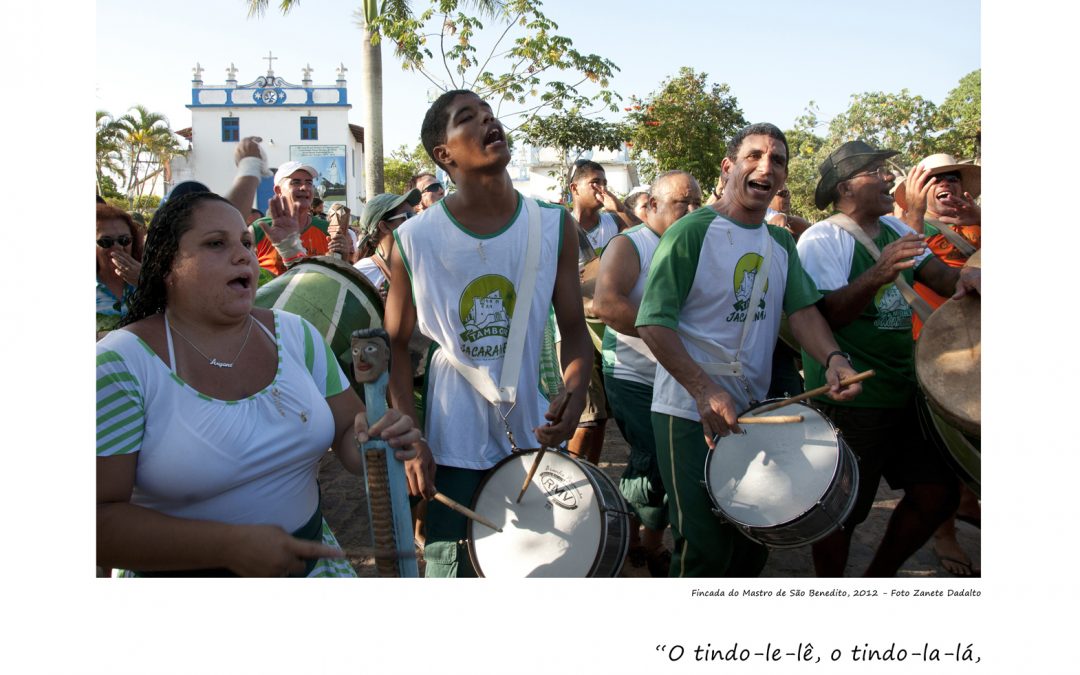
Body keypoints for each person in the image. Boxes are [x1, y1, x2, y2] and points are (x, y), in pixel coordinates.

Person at [96, 191, 421, 577]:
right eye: (216, 244)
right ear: (167, 265)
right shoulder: (119, 364)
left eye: (246, 243)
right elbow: (98, 526)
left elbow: (351, 432)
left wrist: (375, 439)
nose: (243, 256)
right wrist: (227, 547)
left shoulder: (296, 334)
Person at [636, 123, 863, 578]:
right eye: (754, 156)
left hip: (753, 411)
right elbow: (652, 322)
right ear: (729, 167)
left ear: (782, 179)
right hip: (686, 411)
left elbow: (802, 314)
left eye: (777, 160)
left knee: (752, 541)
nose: (766, 167)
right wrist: (702, 390)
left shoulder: (780, 243)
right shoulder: (691, 233)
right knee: (704, 549)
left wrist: (835, 359)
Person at [383, 89, 593, 577]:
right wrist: (412, 436)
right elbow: (395, 345)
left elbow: (575, 331)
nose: (487, 121)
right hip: (450, 440)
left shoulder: (552, 225)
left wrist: (576, 390)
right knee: (452, 569)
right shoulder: (411, 241)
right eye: (467, 118)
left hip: (534, 434)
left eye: (488, 113)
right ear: (444, 155)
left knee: (545, 564)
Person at [796, 140, 981, 577]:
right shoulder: (823, 239)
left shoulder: (897, 233)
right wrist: (879, 272)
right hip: (854, 399)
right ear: (845, 187)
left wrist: (969, 277)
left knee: (937, 494)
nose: (888, 179)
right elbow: (825, 317)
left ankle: (878, 579)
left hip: (907, 391)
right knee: (842, 513)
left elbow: (938, 274)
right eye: (876, 172)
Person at [591, 171, 701, 576]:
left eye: (696, 204)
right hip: (633, 373)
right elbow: (607, 304)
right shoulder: (630, 244)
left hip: (679, 375)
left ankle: (646, 541)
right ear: (652, 205)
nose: (691, 211)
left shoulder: (694, 244)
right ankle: (632, 538)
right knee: (652, 458)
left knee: (669, 462)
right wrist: (662, 338)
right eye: (681, 203)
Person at [895, 152, 982, 577]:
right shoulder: (911, 228)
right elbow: (905, 264)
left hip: (981, 354)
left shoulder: (980, 226)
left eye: (952, 177)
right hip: (929, 353)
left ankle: (969, 500)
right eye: (934, 180)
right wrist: (912, 214)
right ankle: (945, 533)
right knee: (941, 454)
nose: (946, 186)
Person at [562, 160, 635, 463]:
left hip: (608, 329)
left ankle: (592, 476)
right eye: (594, 182)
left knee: (601, 416)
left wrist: (619, 208)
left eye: (604, 181)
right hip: (570, 328)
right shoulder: (561, 224)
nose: (601, 187)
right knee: (587, 416)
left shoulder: (613, 223)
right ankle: (573, 475)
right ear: (573, 188)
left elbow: (645, 236)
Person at [249, 161, 332, 276]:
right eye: (295, 182)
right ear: (278, 190)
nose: (304, 187)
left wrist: (344, 256)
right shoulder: (259, 230)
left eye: (309, 183)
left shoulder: (327, 229)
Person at [352, 190, 421, 300]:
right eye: (409, 216)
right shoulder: (362, 274)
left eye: (415, 215)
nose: (415, 221)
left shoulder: (418, 265)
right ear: (384, 226)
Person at [96, 204, 144, 339]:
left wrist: (146, 283)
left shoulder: (148, 277)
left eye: (124, 240)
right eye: (106, 242)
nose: (117, 248)